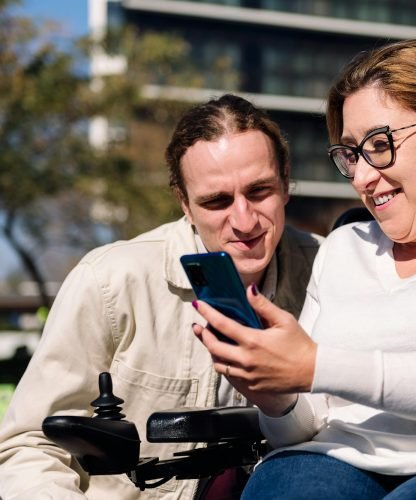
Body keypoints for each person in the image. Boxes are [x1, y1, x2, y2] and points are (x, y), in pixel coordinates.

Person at [192, 40, 416, 499]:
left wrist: (317, 365)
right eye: (351, 155)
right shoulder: (343, 248)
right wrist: (277, 397)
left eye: (380, 145)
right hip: (333, 461)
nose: (360, 177)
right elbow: (303, 427)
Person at [0, 94, 323, 499]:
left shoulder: (332, 270)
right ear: (184, 203)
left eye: (259, 191)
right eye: (217, 201)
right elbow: (29, 444)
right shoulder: (110, 280)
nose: (244, 220)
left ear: (286, 180)